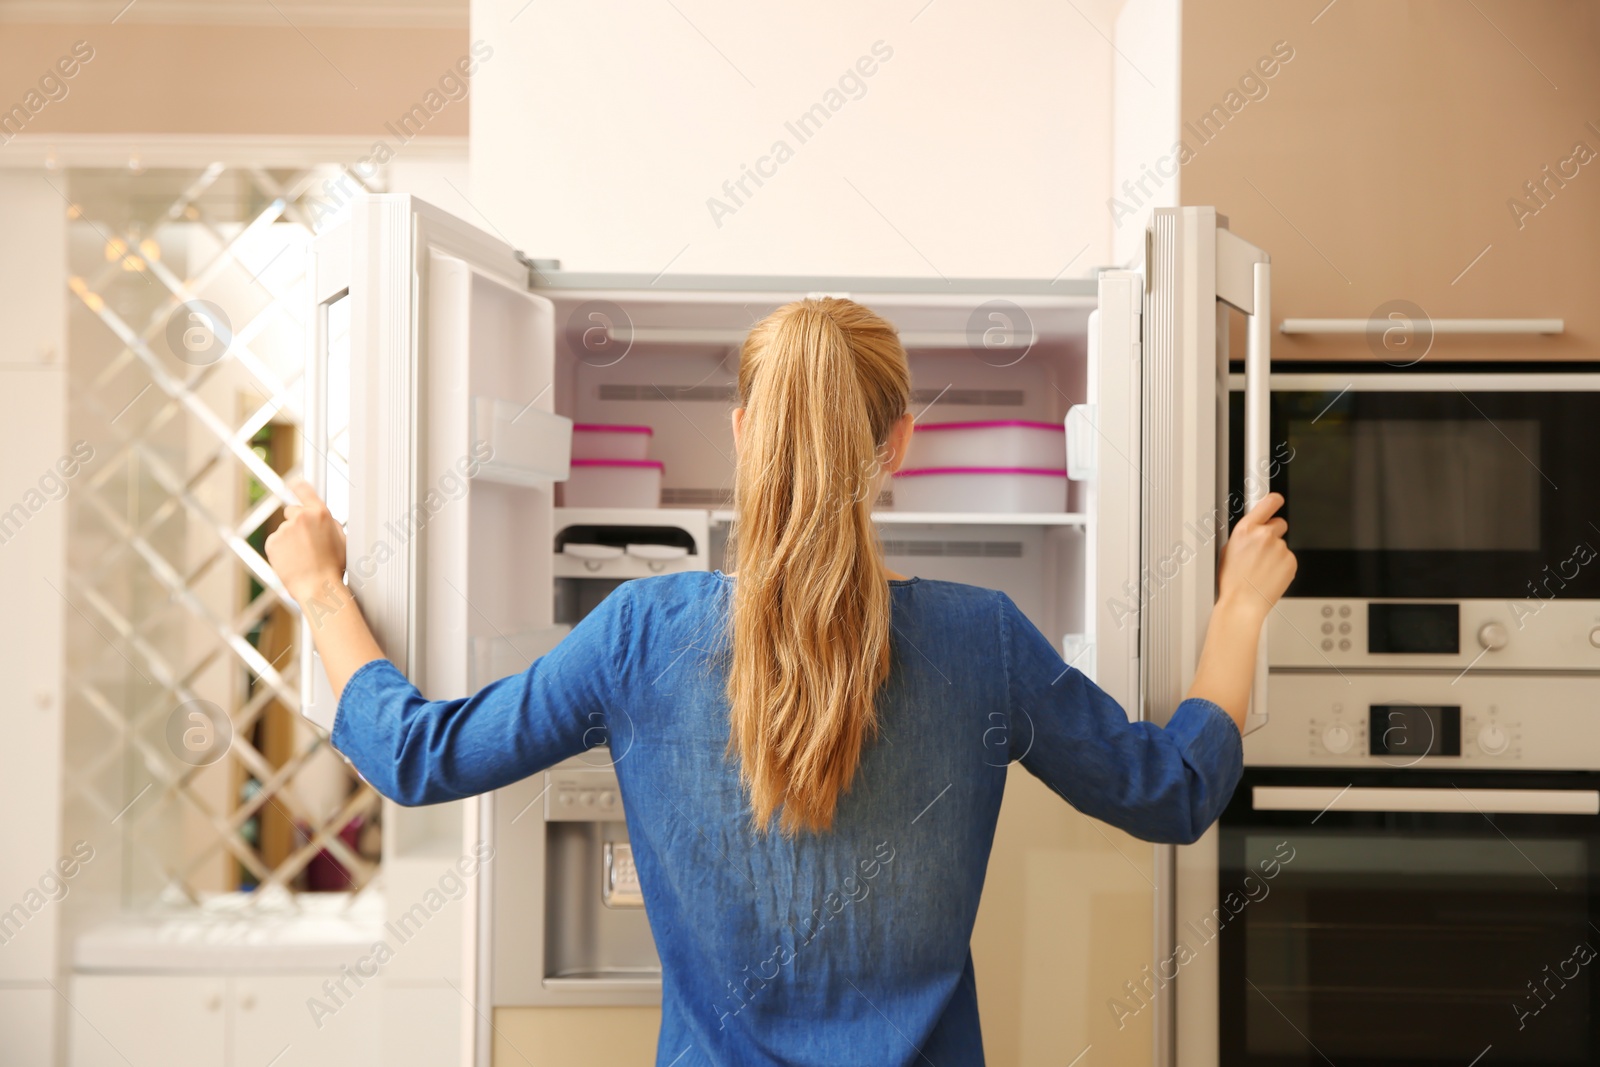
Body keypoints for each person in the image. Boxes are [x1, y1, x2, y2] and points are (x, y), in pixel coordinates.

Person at [265, 297, 1296, 1066]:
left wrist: (319, 588)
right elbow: (1172, 790)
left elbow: (415, 752)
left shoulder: (640, 632)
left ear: (743, 430)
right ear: (898, 444)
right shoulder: (983, 640)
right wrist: (1239, 606)